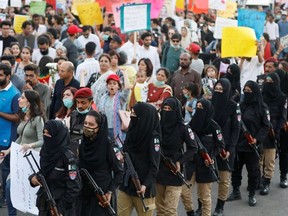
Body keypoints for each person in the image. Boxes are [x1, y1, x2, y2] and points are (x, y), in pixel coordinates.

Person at [227, 81, 270, 207]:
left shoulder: (262, 107)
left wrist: (256, 139)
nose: (246, 92)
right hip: (238, 144)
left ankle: (251, 194)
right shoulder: (240, 105)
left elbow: (265, 127)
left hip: (252, 146)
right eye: (245, 90)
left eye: (249, 90)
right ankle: (236, 191)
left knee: (253, 172)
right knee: (236, 170)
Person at [29, 120, 81, 216]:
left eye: (49, 133)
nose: (45, 135)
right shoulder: (46, 152)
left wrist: (61, 209)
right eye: (44, 132)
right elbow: (44, 172)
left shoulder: (68, 158)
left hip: (62, 207)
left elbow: (74, 187)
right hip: (45, 204)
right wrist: (33, 178)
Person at [156, 97, 198, 216]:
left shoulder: (183, 127)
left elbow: (193, 148)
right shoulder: (157, 126)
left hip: (175, 170)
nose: (167, 111)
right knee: (160, 210)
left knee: (170, 211)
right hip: (159, 170)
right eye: (165, 108)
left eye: (170, 109)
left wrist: (180, 161)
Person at [118, 102, 161, 216]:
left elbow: (154, 166)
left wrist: (145, 185)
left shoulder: (153, 137)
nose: (132, 117)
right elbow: (125, 150)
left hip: (143, 189)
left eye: (135, 115)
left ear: (144, 118)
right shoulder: (132, 131)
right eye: (131, 114)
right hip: (127, 185)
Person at [79, 110, 123, 215]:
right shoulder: (83, 144)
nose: (87, 127)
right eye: (85, 123)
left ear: (99, 127)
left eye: (91, 124)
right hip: (84, 196)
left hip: (102, 197)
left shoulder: (109, 145)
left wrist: (110, 192)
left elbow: (119, 172)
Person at [189, 98, 225, 216]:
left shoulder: (215, 127)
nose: (199, 110)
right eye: (197, 107)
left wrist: (210, 156)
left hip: (206, 164)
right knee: (185, 192)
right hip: (192, 163)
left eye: (202, 108)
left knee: (205, 196)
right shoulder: (192, 124)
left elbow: (220, 145)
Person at [211, 78, 240, 216]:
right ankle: (202, 205)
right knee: (204, 180)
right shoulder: (209, 103)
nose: (218, 92)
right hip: (210, 147)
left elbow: (236, 129)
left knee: (224, 179)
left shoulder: (233, 106)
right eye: (216, 89)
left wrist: (230, 149)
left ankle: (220, 206)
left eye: (221, 90)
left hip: (226, 149)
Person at [260, 73, 287, 195]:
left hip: (275, 131)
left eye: (271, 81)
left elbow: (283, 116)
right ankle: (260, 179)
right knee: (260, 158)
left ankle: (267, 181)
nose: (268, 84)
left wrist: (275, 130)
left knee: (271, 159)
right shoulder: (261, 96)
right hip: (261, 131)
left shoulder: (282, 97)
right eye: (267, 81)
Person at [0, 63, 20, 208]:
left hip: (6, 138)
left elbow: (17, 117)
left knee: (5, 169)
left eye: (1, 75)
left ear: (8, 76)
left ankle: (6, 198)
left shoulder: (15, 94)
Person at [98, 73, 131, 140]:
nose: (112, 85)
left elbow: (127, 88)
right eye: (110, 83)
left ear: (118, 86)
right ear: (107, 86)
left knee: (118, 149)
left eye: (114, 83)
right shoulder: (103, 98)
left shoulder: (121, 98)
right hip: (105, 129)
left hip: (118, 130)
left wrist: (125, 74)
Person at [69, 87, 94, 154]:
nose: (79, 106)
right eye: (77, 102)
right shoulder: (74, 114)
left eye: (83, 103)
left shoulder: (96, 117)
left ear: (91, 103)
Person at [275, 69, 288, 188]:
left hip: (285, 127)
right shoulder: (279, 94)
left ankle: (283, 175)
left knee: (284, 152)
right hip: (276, 124)